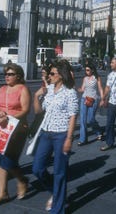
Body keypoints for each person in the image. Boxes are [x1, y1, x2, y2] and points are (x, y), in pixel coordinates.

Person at [32, 61, 79, 213]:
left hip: (61, 135)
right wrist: (36, 96)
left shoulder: (70, 92)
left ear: (61, 75)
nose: (49, 76)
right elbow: (40, 112)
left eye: (52, 74)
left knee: (60, 172)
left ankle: (57, 209)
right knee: (37, 168)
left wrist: (69, 139)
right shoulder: (50, 89)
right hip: (46, 133)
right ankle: (56, 191)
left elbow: (73, 116)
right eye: (49, 73)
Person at [0, 63, 31, 208]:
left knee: (8, 160)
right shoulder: (2, 89)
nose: (7, 76)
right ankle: (4, 192)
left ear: (18, 76)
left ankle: (20, 181)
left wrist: (9, 118)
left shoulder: (23, 89)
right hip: (2, 129)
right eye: (6, 74)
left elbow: (25, 110)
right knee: (0, 160)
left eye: (10, 74)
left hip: (18, 130)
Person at [77, 63, 104, 145]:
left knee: (91, 119)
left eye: (88, 70)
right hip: (84, 99)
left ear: (92, 70)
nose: (87, 71)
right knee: (82, 120)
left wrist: (102, 99)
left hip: (93, 99)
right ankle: (83, 139)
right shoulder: (85, 78)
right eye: (85, 70)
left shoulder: (97, 78)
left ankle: (98, 131)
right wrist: (78, 89)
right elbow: (82, 89)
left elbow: (100, 88)